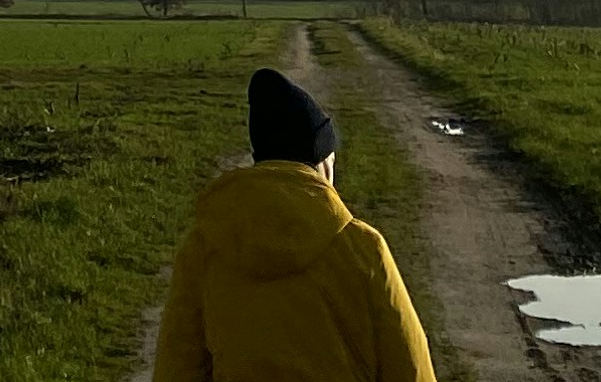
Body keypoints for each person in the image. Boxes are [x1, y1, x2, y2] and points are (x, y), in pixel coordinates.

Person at [154, 66, 436, 382]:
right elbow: (410, 367)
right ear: (320, 163)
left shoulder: (206, 246)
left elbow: (176, 367)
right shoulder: (363, 248)